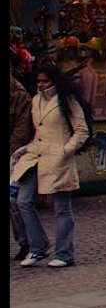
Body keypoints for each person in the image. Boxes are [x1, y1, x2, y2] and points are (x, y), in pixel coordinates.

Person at [9, 63, 89, 268]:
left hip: (58, 157)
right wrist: (26, 149)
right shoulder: (35, 100)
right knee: (22, 200)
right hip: (36, 155)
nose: (41, 85)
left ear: (54, 81)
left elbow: (82, 130)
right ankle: (38, 246)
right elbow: (38, 130)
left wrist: (65, 150)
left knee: (61, 207)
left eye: (45, 81)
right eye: (39, 81)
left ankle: (64, 253)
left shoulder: (66, 99)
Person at [10, 68, 34, 261]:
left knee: (14, 202)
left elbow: (22, 130)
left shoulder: (20, 95)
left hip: (14, 155)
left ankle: (25, 242)